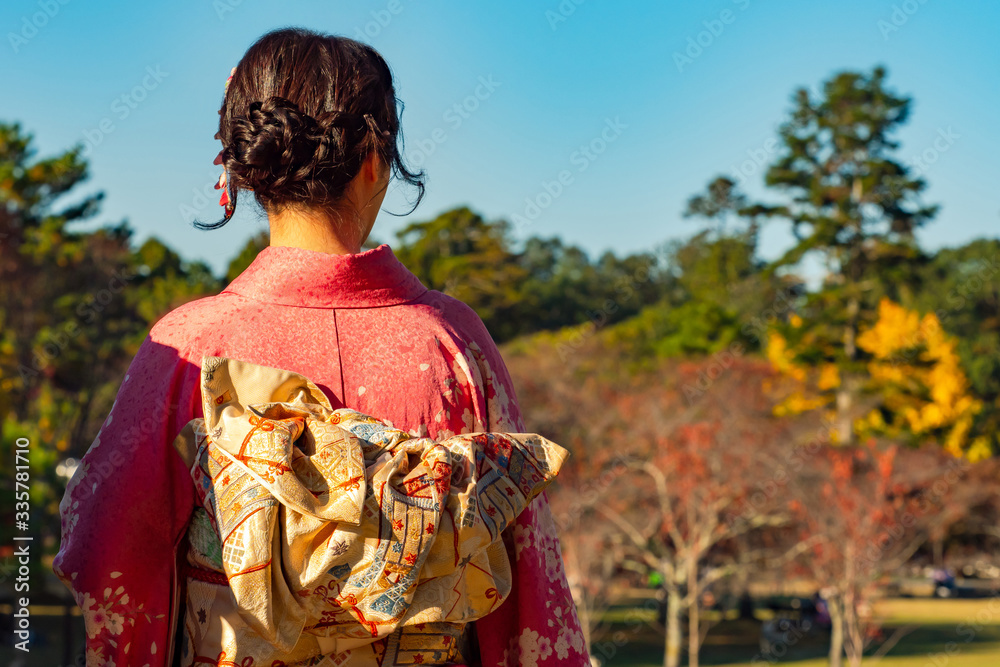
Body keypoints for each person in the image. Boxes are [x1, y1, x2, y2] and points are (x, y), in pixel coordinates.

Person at [53, 27, 588, 666]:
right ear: (374, 158)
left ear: (243, 167)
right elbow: (531, 590)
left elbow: (108, 551)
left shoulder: (187, 346)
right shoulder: (451, 341)